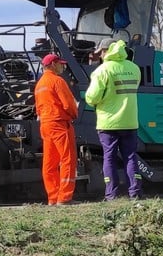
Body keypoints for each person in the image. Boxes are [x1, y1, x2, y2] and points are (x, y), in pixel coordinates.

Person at [84, 40, 142, 200]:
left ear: (105, 51)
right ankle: (135, 192)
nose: (100, 55)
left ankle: (112, 194)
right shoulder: (134, 68)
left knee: (109, 157)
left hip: (108, 123)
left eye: (100, 52)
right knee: (130, 156)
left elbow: (91, 97)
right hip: (130, 121)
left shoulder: (102, 71)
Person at [34, 53, 79, 205]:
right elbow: (68, 104)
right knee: (67, 159)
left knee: (50, 162)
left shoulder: (40, 84)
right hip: (59, 123)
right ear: (53, 64)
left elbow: (38, 108)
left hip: (45, 125)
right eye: (60, 64)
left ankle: (53, 197)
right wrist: (74, 114)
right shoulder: (57, 81)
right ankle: (65, 197)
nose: (63, 66)